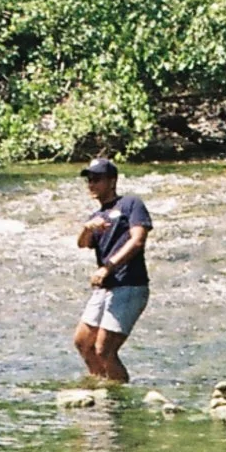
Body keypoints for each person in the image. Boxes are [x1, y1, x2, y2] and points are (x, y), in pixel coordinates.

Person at [73, 156, 152, 383]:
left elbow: (137, 241)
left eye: (97, 179)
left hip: (129, 284)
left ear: (112, 181)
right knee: (82, 343)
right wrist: (87, 227)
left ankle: (118, 399)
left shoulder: (130, 204)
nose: (91, 184)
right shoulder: (96, 216)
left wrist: (108, 267)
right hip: (105, 288)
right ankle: (101, 385)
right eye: (89, 179)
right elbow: (83, 244)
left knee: (104, 350)